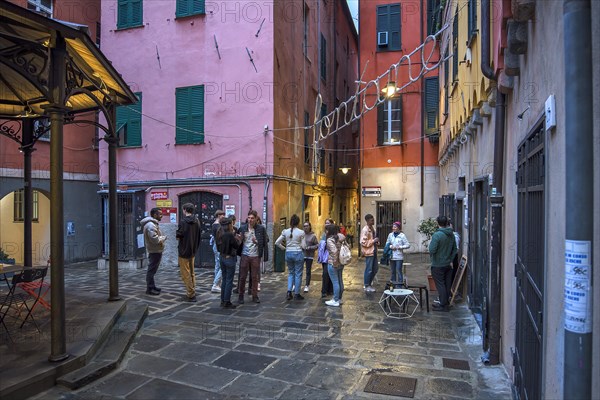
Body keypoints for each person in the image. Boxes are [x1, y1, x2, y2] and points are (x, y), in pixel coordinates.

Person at [237, 209, 269, 304]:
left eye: (252, 218)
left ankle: (255, 295)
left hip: (255, 256)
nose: (250, 220)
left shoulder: (261, 229)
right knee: (242, 276)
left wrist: (257, 242)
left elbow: (265, 240)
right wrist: (239, 240)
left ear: (256, 219)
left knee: (254, 277)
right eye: (249, 218)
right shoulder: (242, 228)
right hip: (245, 255)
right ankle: (241, 295)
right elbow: (238, 242)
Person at [428, 215, 458, 311]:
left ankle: (443, 305)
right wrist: (450, 259)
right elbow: (454, 249)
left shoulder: (437, 235)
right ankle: (445, 302)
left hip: (438, 263)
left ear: (437, 223)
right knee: (447, 284)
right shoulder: (451, 234)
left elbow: (432, 249)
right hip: (448, 264)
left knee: (440, 284)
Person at [176, 203, 202, 302]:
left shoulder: (183, 222)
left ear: (185, 210)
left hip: (183, 250)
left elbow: (179, 236)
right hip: (193, 250)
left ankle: (191, 293)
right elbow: (199, 235)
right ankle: (192, 289)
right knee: (192, 272)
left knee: (185, 273)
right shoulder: (197, 221)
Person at [275, 214, 305, 300]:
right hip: (298, 253)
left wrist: (284, 248)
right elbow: (303, 246)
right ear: (298, 222)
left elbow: (277, 242)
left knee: (291, 273)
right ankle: (297, 293)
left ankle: (289, 292)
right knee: (298, 274)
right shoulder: (301, 232)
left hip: (288, 253)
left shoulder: (285, 231)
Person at [140, 208, 166, 295]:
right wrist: (163, 238)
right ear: (155, 215)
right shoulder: (151, 225)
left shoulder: (152, 224)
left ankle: (152, 286)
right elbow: (154, 239)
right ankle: (150, 289)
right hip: (154, 250)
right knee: (151, 270)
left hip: (155, 250)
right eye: (160, 214)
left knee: (153, 270)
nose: (161, 216)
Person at [216, 217, 240, 309]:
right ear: (229, 225)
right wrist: (239, 239)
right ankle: (227, 301)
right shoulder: (229, 235)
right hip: (230, 258)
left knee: (224, 279)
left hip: (222, 257)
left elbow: (218, 248)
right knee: (229, 280)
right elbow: (236, 245)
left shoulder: (219, 233)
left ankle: (222, 300)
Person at [325, 224, 346, 307]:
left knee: (335, 282)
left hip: (333, 263)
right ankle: (339, 298)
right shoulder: (341, 238)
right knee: (340, 280)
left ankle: (335, 300)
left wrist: (334, 261)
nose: (326, 231)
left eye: (327, 230)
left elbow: (334, 251)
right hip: (341, 261)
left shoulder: (330, 240)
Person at [385, 221, 410, 288]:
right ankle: (392, 285)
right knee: (392, 271)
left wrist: (400, 247)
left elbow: (408, 245)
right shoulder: (390, 235)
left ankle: (399, 286)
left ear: (398, 228)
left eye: (395, 227)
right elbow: (387, 243)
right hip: (392, 256)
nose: (393, 228)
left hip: (399, 256)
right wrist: (391, 246)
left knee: (399, 271)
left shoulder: (402, 235)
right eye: (393, 227)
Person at [360, 214, 379, 292]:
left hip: (374, 251)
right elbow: (363, 242)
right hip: (369, 252)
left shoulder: (373, 229)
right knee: (369, 269)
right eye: (371, 220)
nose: (373, 221)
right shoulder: (365, 230)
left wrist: (376, 242)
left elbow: (373, 238)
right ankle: (367, 285)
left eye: (373, 219)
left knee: (375, 269)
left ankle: (369, 283)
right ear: (367, 221)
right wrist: (373, 241)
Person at [318, 218, 335, 298]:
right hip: (324, 257)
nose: (326, 224)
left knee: (329, 273)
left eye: (328, 223)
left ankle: (328, 290)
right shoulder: (324, 234)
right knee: (325, 273)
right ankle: (326, 290)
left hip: (331, 257)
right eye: (326, 223)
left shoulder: (334, 234)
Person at [301, 221, 319, 293]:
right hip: (302, 255)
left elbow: (317, 245)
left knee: (308, 271)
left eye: (307, 226)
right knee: (299, 270)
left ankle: (307, 285)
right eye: (304, 226)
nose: (305, 227)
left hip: (309, 256)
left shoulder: (313, 236)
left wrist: (310, 247)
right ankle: (295, 285)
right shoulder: (301, 235)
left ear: (310, 227)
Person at [211, 210, 225, 293]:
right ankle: (215, 284)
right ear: (219, 215)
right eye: (222, 215)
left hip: (215, 246)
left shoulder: (214, 224)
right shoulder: (217, 225)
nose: (223, 216)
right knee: (222, 266)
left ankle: (217, 283)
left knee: (217, 265)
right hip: (219, 246)